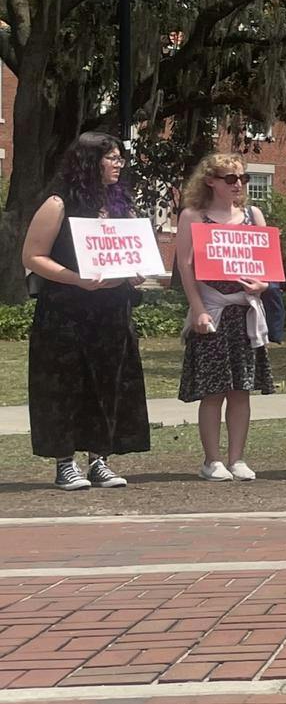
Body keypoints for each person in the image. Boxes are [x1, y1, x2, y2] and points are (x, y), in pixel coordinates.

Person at [20, 133, 150, 490]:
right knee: (66, 385)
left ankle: (99, 459)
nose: (118, 164)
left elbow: (132, 254)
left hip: (112, 310)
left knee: (108, 382)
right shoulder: (58, 204)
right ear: (88, 161)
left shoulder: (123, 205)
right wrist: (75, 279)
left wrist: (136, 272)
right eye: (111, 157)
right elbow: (32, 257)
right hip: (66, 312)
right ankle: (65, 463)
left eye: (120, 158)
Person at [173, 152, 277, 481]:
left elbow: (268, 262)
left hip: (245, 312)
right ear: (211, 181)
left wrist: (264, 284)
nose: (238, 185)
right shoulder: (193, 216)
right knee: (213, 390)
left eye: (243, 178)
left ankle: (238, 458)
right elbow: (186, 268)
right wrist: (199, 310)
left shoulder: (253, 215)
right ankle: (212, 460)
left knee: (241, 389)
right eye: (230, 179)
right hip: (212, 310)